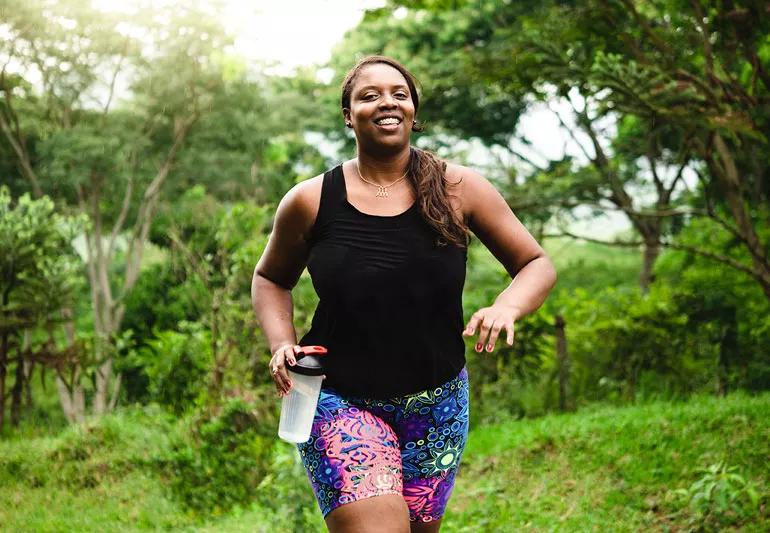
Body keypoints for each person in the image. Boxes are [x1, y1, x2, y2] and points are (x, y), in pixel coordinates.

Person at [251, 55, 556, 533]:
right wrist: (280, 343)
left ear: (414, 109)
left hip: (438, 402)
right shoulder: (310, 200)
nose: (386, 102)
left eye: (399, 93)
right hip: (336, 396)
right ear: (349, 115)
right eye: (368, 95)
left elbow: (535, 263)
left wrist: (506, 306)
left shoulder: (459, 189)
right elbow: (271, 278)